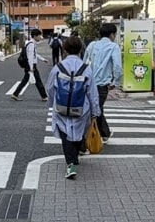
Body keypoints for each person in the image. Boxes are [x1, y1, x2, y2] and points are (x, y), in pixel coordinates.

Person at [46, 36, 100, 179]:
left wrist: (51, 103)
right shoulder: (86, 69)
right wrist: (95, 112)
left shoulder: (58, 67)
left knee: (65, 135)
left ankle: (71, 163)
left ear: (65, 49)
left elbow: (50, 87)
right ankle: (74, 160)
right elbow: (92, 93)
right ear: (81, 49)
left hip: (61, 107)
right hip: (81, 109)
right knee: (78, 133)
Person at [83, 23, 123, 143]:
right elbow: (117, 66)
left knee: (96, 108)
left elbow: (84, 62)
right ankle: (88, 137)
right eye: (115, 34)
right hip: (102, 84)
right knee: (96, 109)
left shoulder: (92, 45)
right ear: (112, 34)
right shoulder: (113, 47)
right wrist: (116, 81)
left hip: (88, 83)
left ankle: (105, 133)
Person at [11, 28, 49, 101]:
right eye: (39, 36)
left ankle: (15, 94)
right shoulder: (31, 44)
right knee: (38, 81)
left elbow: (35, 54)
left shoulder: (31, 43)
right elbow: (30, 57)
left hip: (30, 65)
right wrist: (31, 67)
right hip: (31, 65)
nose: (40, 37)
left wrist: (43, 59)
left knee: (26, 80)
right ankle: (44, 96)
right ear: (35, 36)